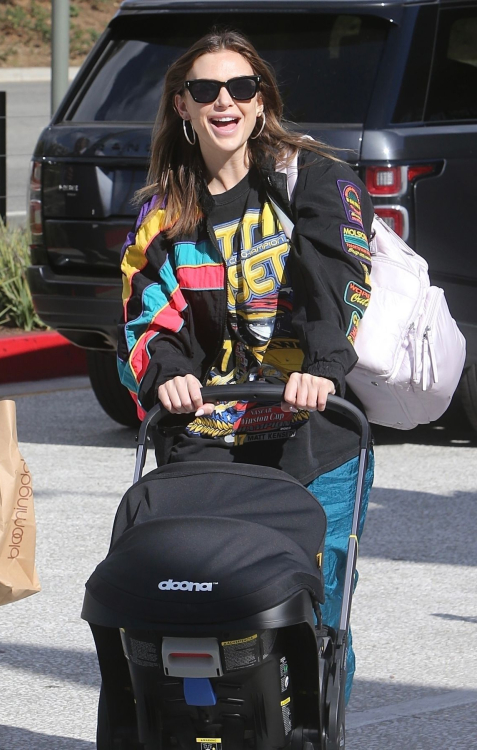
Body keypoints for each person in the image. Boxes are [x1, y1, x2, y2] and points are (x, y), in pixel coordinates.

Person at [117, 28, 375, 703]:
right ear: (183, 105)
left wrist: (321, 365)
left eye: (241, 88)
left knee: (315, 624)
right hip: (206, 441)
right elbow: (144, 317)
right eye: (206, 90)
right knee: (193, 610)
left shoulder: (313, 179)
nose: (224, 101)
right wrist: (165, 370)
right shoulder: (162, 215)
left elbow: (342, 280)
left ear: (262, 102)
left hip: (311, 439)